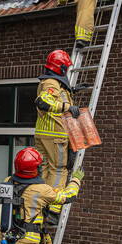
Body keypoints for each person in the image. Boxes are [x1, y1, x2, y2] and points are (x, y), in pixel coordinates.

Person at [35, 49, 80, 191]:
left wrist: (72, 90)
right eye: (65, 67)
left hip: (44, 133)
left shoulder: (49, 82)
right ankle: (53, 205)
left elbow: (55, 97)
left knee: (45, 169)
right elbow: (44, 102)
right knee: (59, 170)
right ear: (60, 67)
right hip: (56, 135)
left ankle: (42, 199)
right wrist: (67, 107)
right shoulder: (51, 83)